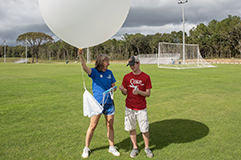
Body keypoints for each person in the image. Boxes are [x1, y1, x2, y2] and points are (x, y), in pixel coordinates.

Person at [78, 49, 120, 158]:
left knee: (110, 125)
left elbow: (113, 85)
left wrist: (113, 89)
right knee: (92, 125)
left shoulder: (109, 72)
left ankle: (111, 147)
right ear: (101, 62)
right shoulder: (94, 72)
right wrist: (81, 56)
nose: (109, 63)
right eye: (107, 61)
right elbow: (84, 67)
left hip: (109, 103)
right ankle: (86, 148)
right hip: (96, 104)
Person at [119, 56, 154, 158]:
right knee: (131, 128)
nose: (131, 67)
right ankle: (135, 147)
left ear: (138, 63)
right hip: (129, 107)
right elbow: (125, 93)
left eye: (133, 65)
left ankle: (147, 148)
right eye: (130, 65)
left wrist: (139, 92)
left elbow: (148, 94)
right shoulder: (126, 77)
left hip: (141, 107)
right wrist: (122, 90)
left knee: (144, 129)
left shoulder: (146, 77)